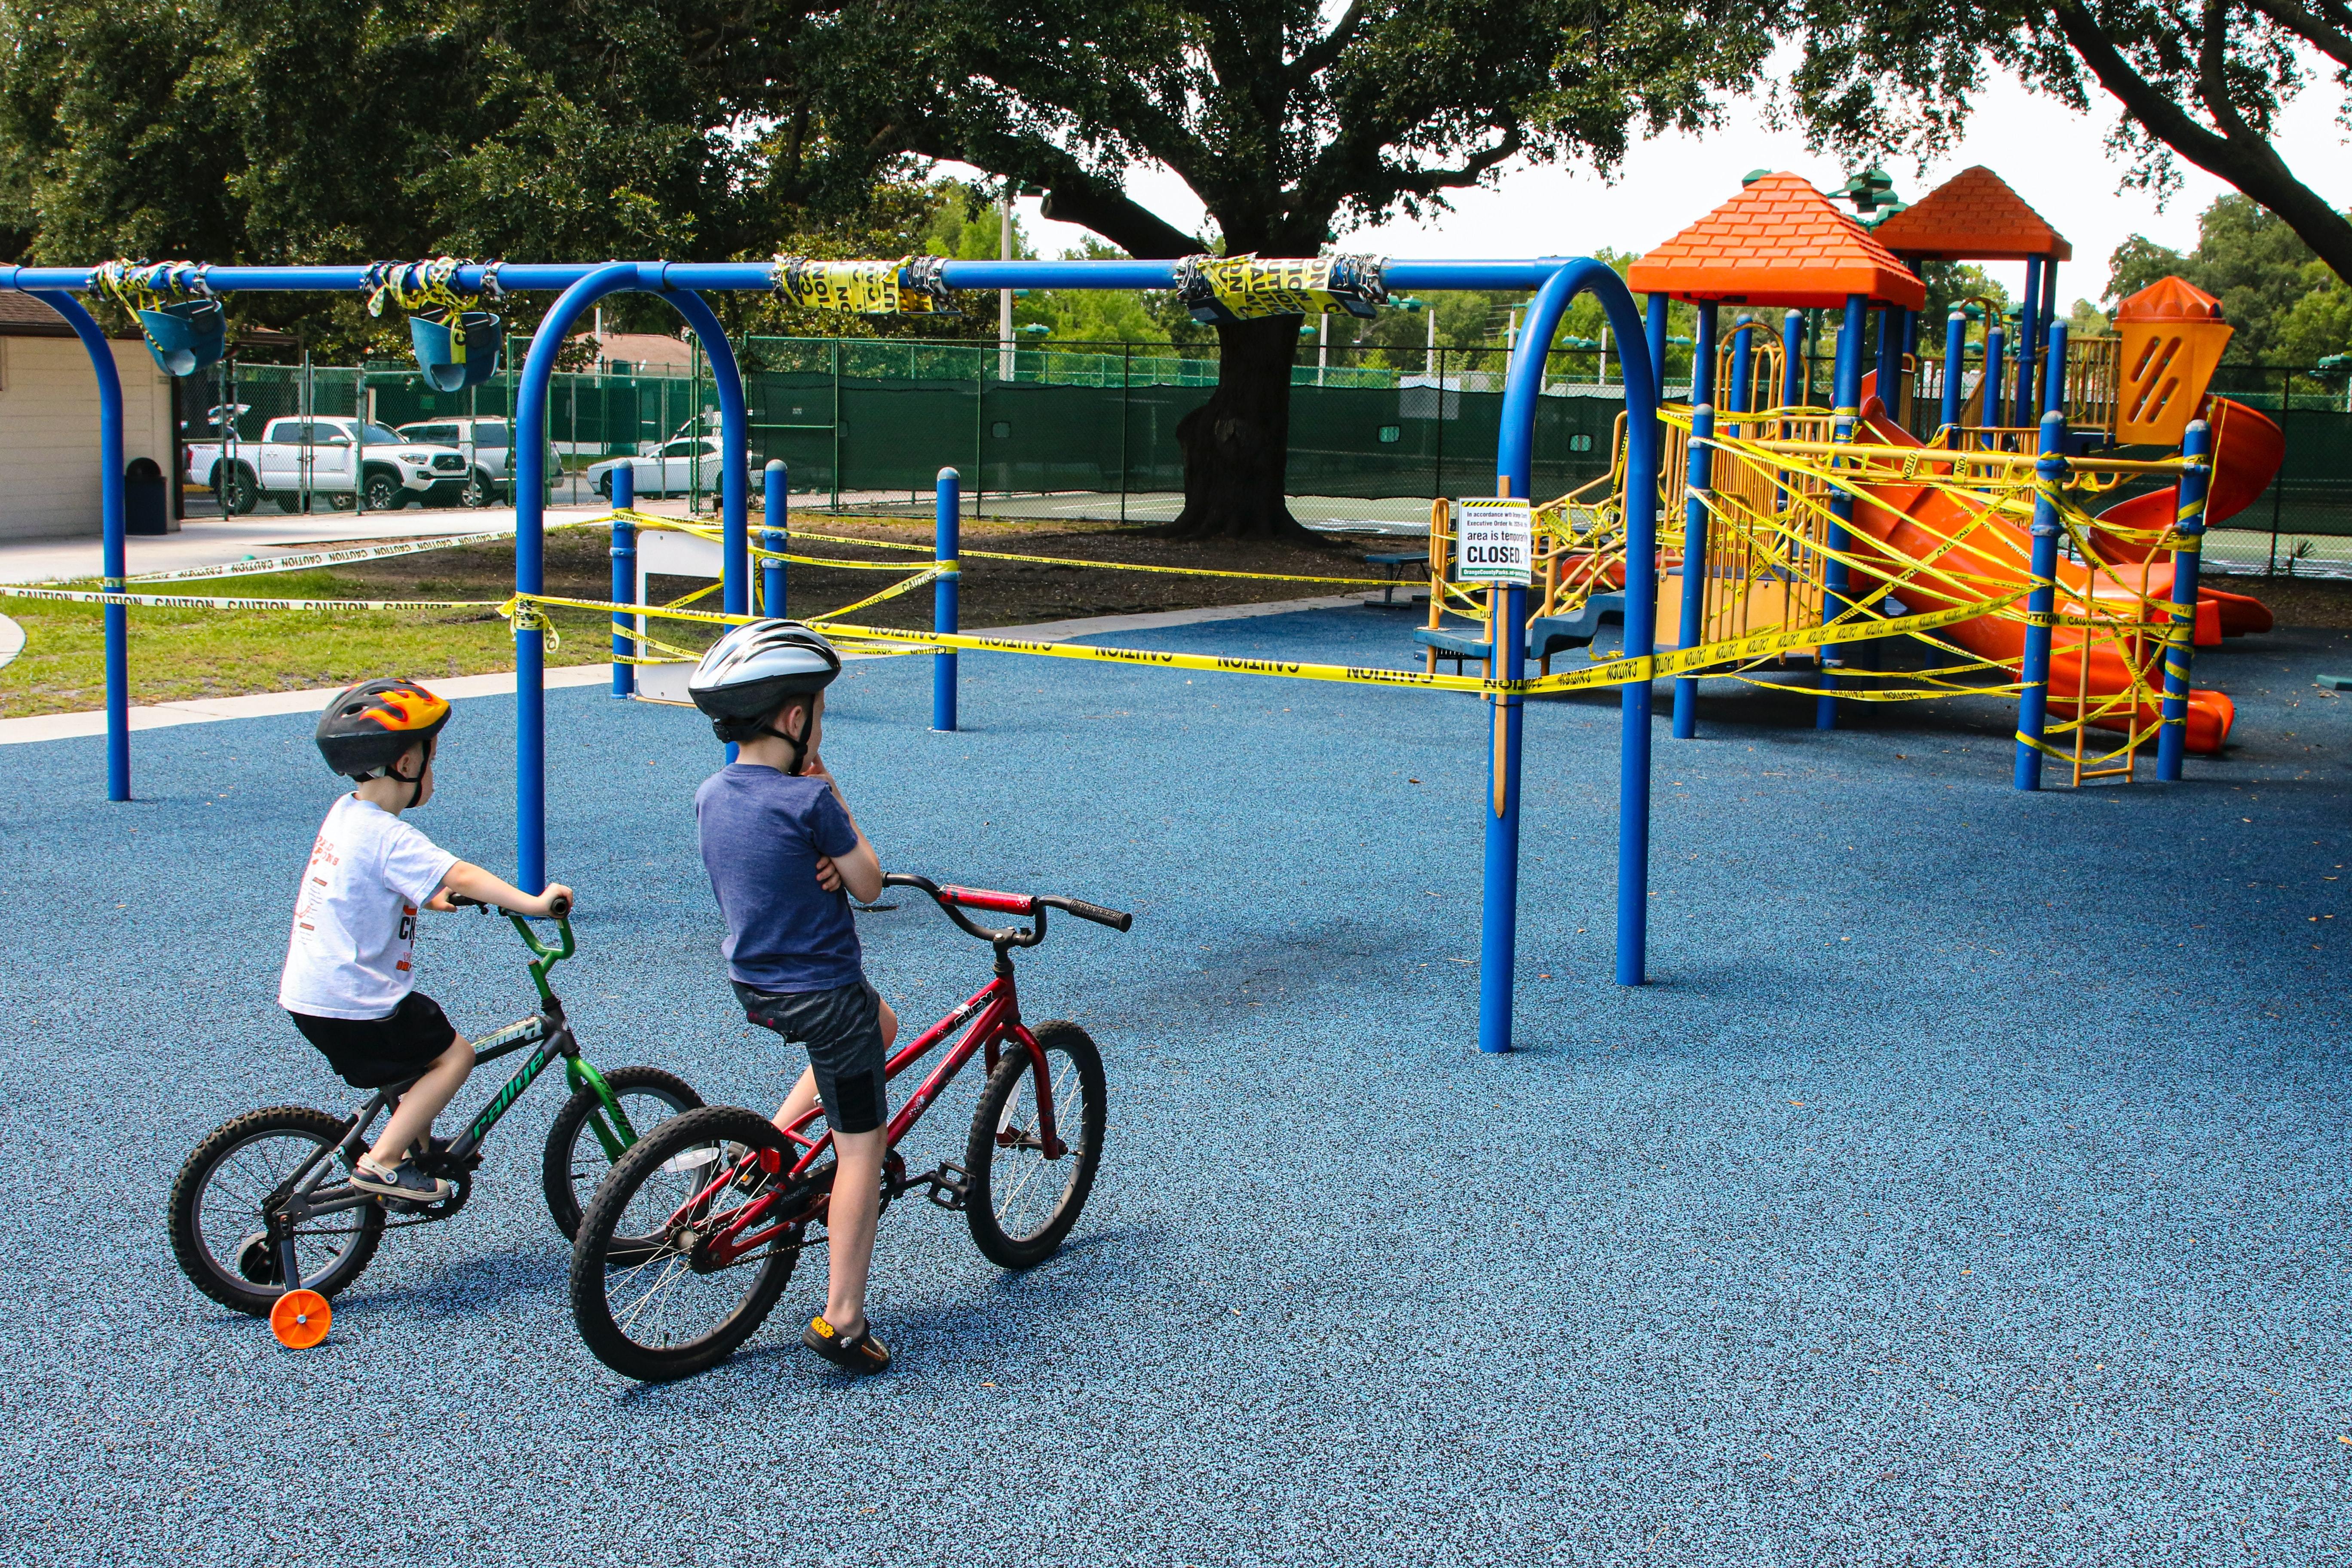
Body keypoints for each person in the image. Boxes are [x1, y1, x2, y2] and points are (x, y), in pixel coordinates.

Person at [689, 620, 899, 1376]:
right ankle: (843, 1317)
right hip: (824, 993)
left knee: (886, 1024)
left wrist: (820, 864)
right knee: (860, 1153)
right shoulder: (810, 805)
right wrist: (832, 803)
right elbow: (871, 881)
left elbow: (763, 861)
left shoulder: (713, 794)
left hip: (757, 982)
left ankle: (764, 1149)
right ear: (792, 718)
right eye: (816, 708)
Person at [279, 678, 573, 1204]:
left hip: (311, 994)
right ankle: (383, 1162)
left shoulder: (346, 814)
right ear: (407, 764)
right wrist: (533, 903)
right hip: (356, 1002)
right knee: (453, 1056)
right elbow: (459, 873)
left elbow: (375, 883)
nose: (433, 770)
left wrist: (432, 898)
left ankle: (413, 1144)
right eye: (430, 758)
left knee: (413, 1056)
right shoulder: (390, 835)